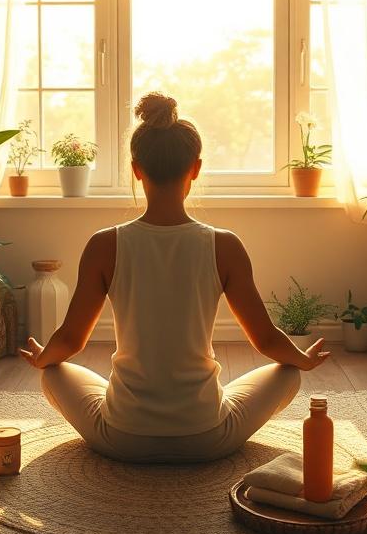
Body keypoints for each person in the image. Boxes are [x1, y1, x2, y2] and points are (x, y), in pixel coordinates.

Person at [20, 92, 330, 462]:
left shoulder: (105, 244)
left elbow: (70, 339)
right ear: (195, 168)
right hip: (207, 437)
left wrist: (43, 359)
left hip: (122, 436)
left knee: (53, 374)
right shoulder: (224, 245)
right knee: (288, 374)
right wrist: (303, 360)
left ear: (136, 169)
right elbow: (265, 339)